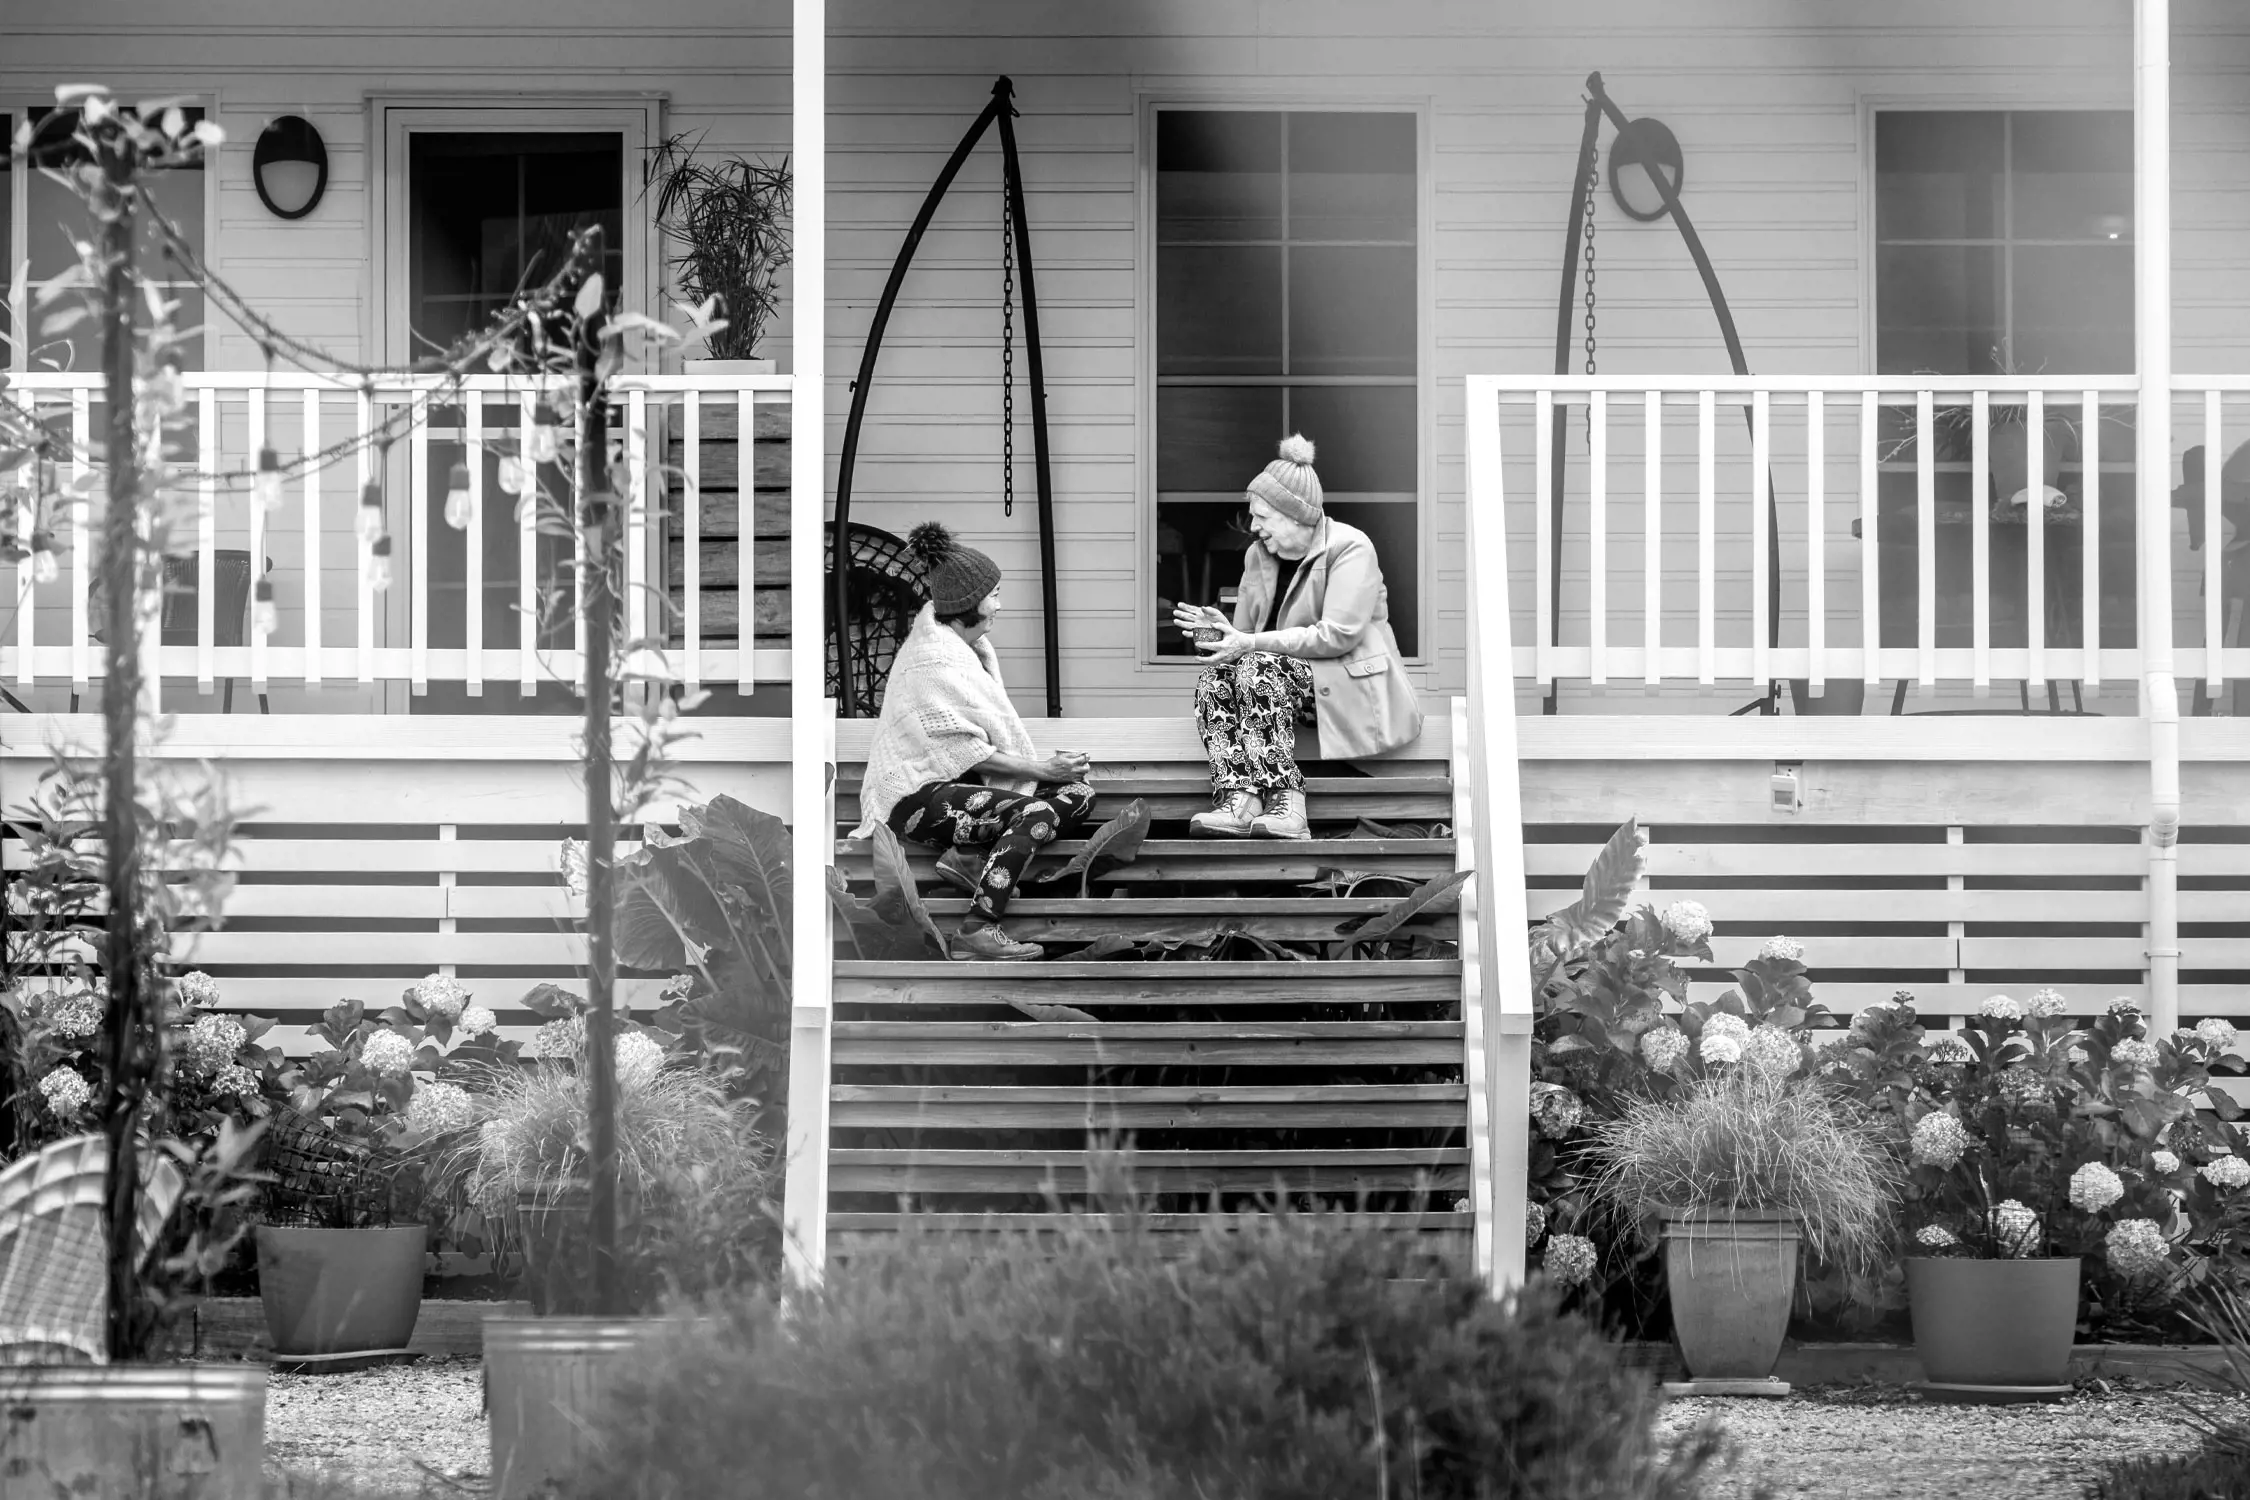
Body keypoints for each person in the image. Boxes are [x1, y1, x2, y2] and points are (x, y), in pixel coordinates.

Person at [853, 522, 1096, 961]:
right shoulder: (932, 659)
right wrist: (1042, 771)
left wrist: (1052, 773)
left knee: (1078, 794)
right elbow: (964, 750)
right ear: (970, 603)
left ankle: (967, 860)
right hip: (917, 797)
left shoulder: (969, 649)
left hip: (961, 791)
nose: (999, 605)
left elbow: (978, 745)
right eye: (995, 594)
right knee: (1038, 807)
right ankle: (978, 928)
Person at [1169, 435, 1422, 839]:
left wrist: (1248, 645)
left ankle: (1288, 804)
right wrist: (1219, 632)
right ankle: (1240, 799)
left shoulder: (1351, 547)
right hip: (1277, 683)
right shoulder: (1257, 556)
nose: (1253, 527)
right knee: (1213, 681)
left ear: (1293, 514)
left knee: (1258, 668)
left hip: (1348, 685)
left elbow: (1336, 635)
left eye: (1262, 517)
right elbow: (1246, 638)